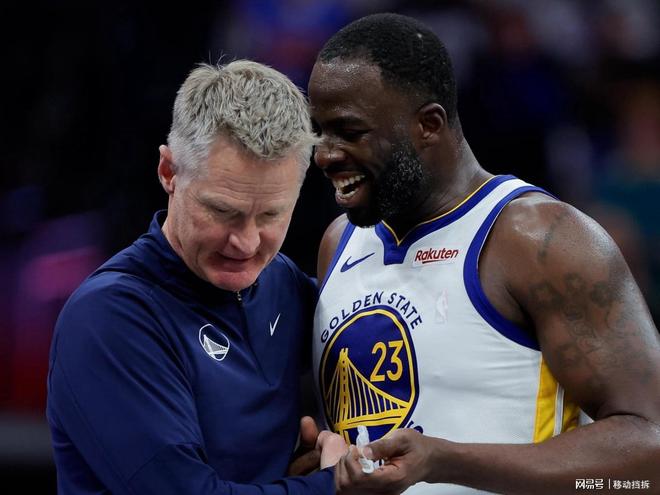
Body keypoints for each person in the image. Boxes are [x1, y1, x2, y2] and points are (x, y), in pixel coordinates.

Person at [308, 13, 660, 495]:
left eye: (349, 132)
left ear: (428, 125)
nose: (324, 154)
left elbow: (651, 454)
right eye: (319, 132)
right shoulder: (338, 242)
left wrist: (447, 461)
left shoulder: (538, 239)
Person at [46, 60, 343, 494]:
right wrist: (335, 486)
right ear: (169, 172)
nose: (245, 242)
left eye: (270, 215)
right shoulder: (108, 319)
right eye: (222, 211)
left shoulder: (280, 282)